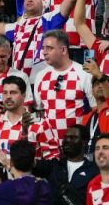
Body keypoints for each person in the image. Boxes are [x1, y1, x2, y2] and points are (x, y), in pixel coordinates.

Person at [28, 29, 94, 159]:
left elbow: (95, 109)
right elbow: (39, 111)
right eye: (44, 48)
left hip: (77, 147)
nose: (45, 52)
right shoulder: (40, 76)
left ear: (64, 50)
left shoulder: (84, 73)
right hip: (49, 147)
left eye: (50, 48)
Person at [0, 0, 75, 82]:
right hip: (19, 82)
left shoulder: (48, 20)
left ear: (44, 2)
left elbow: (69, 3)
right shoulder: (18, 26)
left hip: (41, 80)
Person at [33, 124, 99, 205]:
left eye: (72, 138)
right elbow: (27, 161)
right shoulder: (53, 166)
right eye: (65, 137)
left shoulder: (94, 171)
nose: (67, 140)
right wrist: (25, 134)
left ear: (84, 142)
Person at [0, 76, 30, 157]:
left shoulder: (38, 123)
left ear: (24, 95)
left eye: (13, 92)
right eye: (5, 93)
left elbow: (51, 159)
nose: (8, 96)